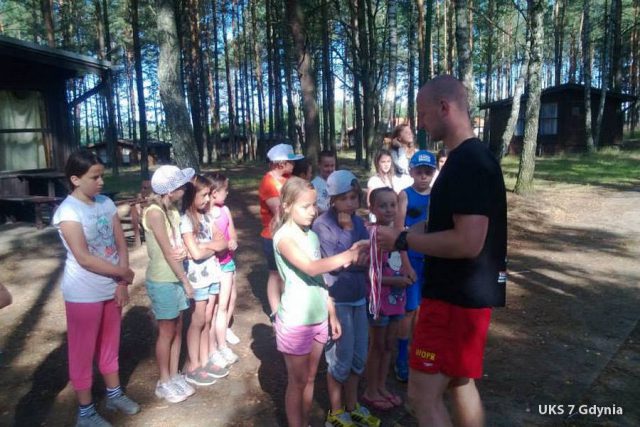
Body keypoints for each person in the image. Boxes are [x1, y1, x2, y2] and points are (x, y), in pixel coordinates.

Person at [376, 75, 507, 427]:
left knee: (421, 396)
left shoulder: (468, 163)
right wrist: (402, 233)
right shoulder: (468, 159)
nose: (419, 123)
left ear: (444, 107)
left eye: (422, 113)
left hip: (453, 301)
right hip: (466, 298)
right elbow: (441, 225)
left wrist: (403, 241)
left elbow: (467, 241)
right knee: (460, 382)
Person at [52, 149, 139, 427]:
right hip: (83, 293)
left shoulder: (105, 203)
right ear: (75, 179)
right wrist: (122, 273)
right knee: (82, 351)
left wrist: (122, 282)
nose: (101, 182)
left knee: (110, 344)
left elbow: (120, 242)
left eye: (102, 176)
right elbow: (83, 257)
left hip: (111, 288)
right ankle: (86, 412)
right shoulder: (68, 211)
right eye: (95, 177)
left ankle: (114, 394)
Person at [272, 176, 367, 427]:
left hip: (318, 318)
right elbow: (312, 268)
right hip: (296, 320)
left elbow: (321, 281)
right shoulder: (284, 238)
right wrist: (349, 254)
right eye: (305, 206)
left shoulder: (311, 236)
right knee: (297, 382)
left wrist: (331, 312)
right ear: (287, 206)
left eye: (314, 205)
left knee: (310, 378)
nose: (312, 211)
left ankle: (305, 421)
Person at [312, 170, 381, 427]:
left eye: (354, 197)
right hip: (337, 299)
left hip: (358, 297)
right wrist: (347, 234)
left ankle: (353, 407)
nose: (350, 203)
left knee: (357, 356)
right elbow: (333, 265)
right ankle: (336, 411)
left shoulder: (359, 221)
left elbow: (366, 257)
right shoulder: (322, 225)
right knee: (339, 358)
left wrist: (356, 258)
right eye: (344, 198)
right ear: (332, 199)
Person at [143, 165, 197, 404]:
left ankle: (174, 375)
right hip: (163, 280)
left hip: (176, 275)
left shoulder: (172, 210)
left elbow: (175, 244)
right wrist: (186, 281)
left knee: (178, 328)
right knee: (166, 331)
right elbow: (166, 251)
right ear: (169, 190)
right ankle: (164, 381)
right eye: (180, 186)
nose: (184, 189)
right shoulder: (154, 213)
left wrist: (183, 250)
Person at [362, 187, 413, 411]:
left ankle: (382, 386)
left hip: (397, 299)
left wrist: (409, 272)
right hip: (379, 301)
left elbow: (403, 258)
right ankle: (370, 390)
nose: (389, 209)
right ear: (372, 208)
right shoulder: (372, 234)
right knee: (377, 345)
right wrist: (396, 281)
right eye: (382, 205)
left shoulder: (398, 233)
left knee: (389, 345)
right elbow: (370, 274)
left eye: (393, 204)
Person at [179, 175, 230, 386]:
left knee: (207, 318)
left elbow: (223, 243)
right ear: (191, 196)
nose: (208, 199)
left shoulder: (207, 217)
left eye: (209, 194)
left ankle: (204, 359)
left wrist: (206, 246)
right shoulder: (186, 220)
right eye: (204, 195)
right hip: (197, 279)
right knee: (198, 320)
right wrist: (211, 247)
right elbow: (196, 254)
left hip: (212, 275)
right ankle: (193, 365)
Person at [394, 150, 437, 383]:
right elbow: (399, 233)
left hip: (432, 260)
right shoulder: (405, 195)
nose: (423, 176)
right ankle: (401, 358)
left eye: (428, 172)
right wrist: (406, 264)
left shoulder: (438, 195)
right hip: (412, 259)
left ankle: (419, 355)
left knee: (425, 311)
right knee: (408, 311)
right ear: (411, 172)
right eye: (419, 171)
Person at [259, 143, 303, 322]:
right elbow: (280, 211)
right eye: (291, 161)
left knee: (288, 273)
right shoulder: (268, 183)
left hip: (290, 233)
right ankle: (276, 312)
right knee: (275, 274)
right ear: (281, 164)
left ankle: (288, 307)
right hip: (273, 236)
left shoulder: (288, 179)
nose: (294, 165)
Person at [206, 172, 242, 349]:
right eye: (225, 190)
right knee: (217, 303)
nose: (227, 193)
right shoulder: (205, 215)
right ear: (214, 193)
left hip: (228, 261)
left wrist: (233, 241)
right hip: (215, 265)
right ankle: (213, 339)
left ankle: (225, 328)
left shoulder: (225, 210)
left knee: (231, 297)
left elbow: (232, 232)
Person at [366, 149, 404, 223]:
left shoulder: (395, 179)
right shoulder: (374, 180)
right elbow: (369, 203)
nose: (386, 165)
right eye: (383, 162)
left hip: (392, 219)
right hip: (378, 219)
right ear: (378, 163)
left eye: (388, 161)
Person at [390, 124, 416, 190]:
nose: (410, 134)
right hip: (400, 186)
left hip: (415, 186)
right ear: (399, 137)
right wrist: (401, 148)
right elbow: (402, 167)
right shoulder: (393, 153)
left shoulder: (416, 152)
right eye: (406, 132)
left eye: (410, 132)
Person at [311, 150, 337, 214]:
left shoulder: (338, 180)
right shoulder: (314, 185)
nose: (330, 169)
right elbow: (312, 207)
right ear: (319, 165)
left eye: (332, 165)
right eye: (326, 166)